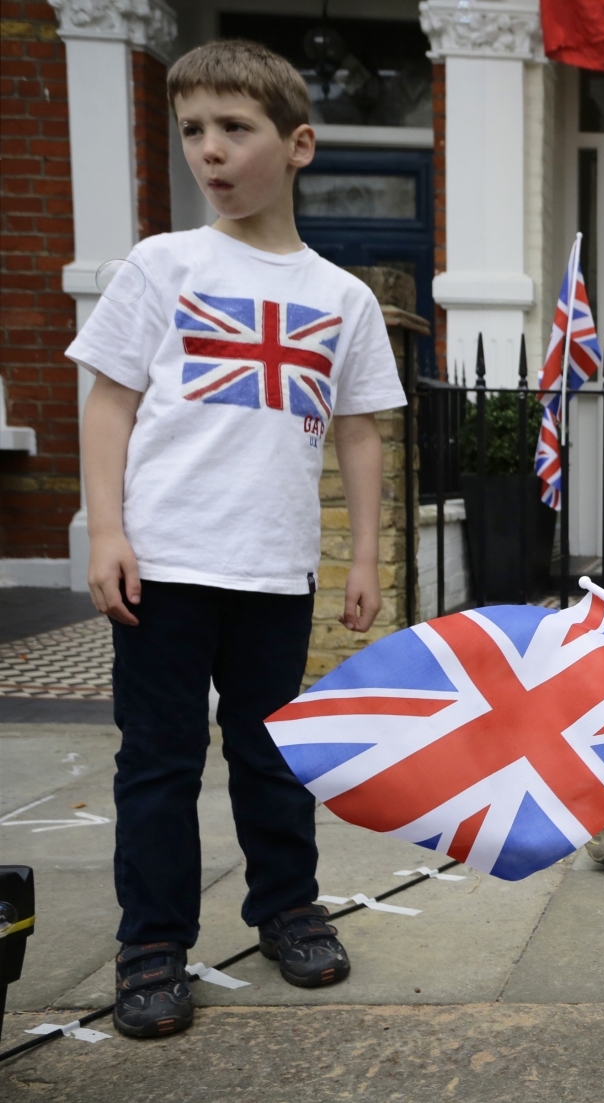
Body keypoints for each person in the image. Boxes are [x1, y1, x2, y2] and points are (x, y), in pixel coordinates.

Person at [70, 40, 406, 1039]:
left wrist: (364, 557)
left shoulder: (341, 297)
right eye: (192, 131)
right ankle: (153, 944)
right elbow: (109, 402)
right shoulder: (162, 265)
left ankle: (288, 909)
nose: (208, 151)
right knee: (160, 760)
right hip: (165, 564)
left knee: (271, 757)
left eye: (233, 128)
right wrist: (107, 531)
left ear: (297, 144)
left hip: (273, 569)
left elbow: (358, 430)